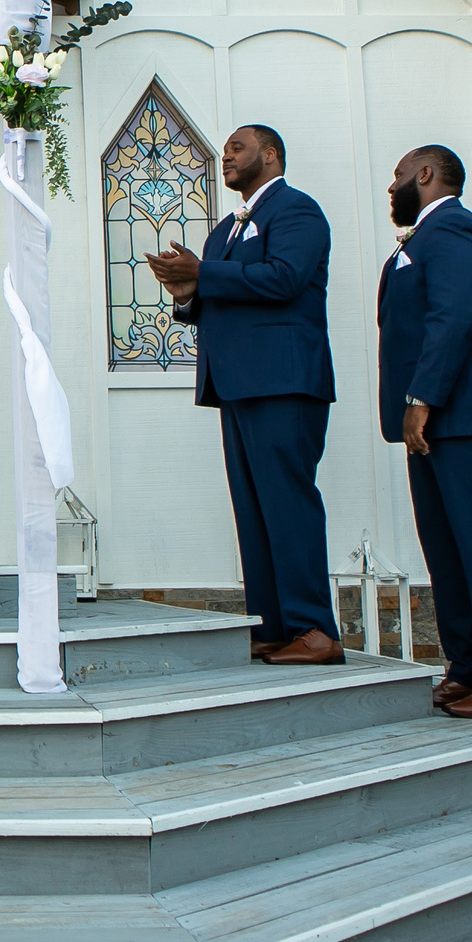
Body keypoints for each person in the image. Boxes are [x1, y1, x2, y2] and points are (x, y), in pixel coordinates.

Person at [149, 124, 340, 664]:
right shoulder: (223, 232)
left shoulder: (296, 211)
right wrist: (186, 291)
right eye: (227, 150)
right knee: (253, 510)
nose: (226, 157)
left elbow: (285, 279)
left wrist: (204, 273)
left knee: (288, 503)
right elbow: (212, 293)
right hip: (236, 383)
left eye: (238, 148)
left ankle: (315, 629)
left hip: (283, 380)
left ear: (271, 154)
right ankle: (273, 625)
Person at [377, 146, 472, 717]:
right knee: (444, 549)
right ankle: (466, 667)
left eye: (398, 176)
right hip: (434, 424)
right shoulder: (424, 237)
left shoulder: (454, 229)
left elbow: (455, 315)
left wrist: (421, 398)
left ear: (425, 175)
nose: (391, 186)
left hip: (465, 415)